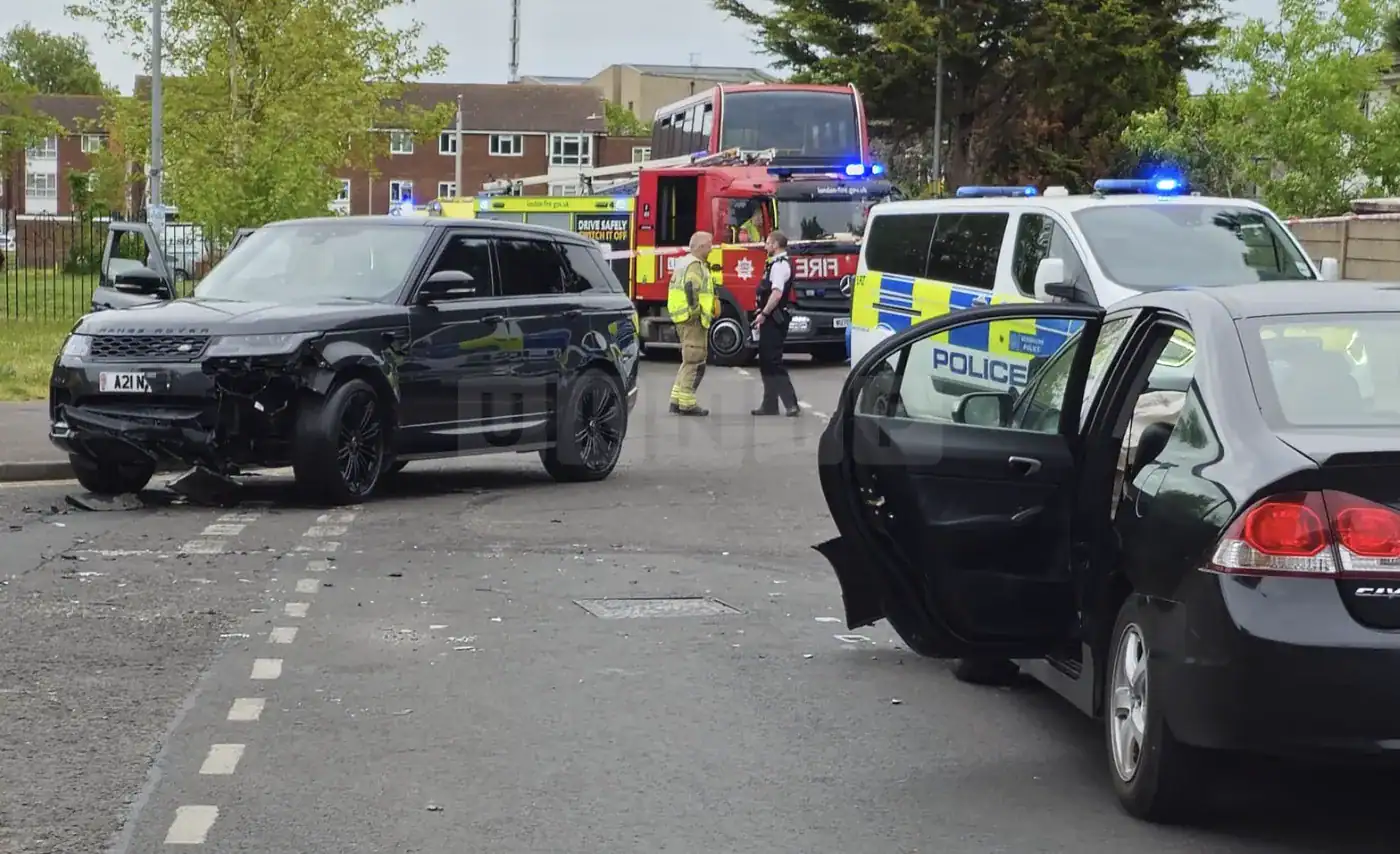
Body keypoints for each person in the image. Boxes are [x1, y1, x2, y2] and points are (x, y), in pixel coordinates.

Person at [667, 231, 717, 416]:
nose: (712, 247)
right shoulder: (695, 265)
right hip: (693, 320)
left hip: (683, 318)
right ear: (700, 246)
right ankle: (687, 403)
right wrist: (696, 310)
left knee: (688, 360)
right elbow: (691, 287)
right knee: (694, 360)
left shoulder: (684, 262)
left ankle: (676, 399)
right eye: (709, 244)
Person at [751, 230, 800, 417]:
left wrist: (764, 313)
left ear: (775, 245)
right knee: (766, 361)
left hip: (774, 318)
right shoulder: (774, 264)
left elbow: (777, 293)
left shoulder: (779, 266)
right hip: (771, 317)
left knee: (772, 360)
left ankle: (791, 404)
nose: (765, 246)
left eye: (767, 243)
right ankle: (770, 404)